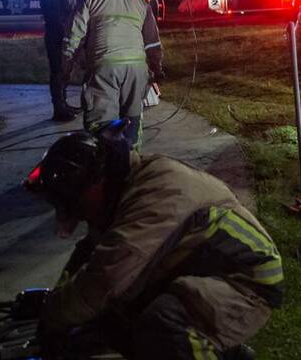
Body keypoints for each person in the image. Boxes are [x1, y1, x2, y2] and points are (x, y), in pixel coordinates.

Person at [25, 128, 282, 359]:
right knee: (115, 320)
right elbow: (89, 254)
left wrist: (53, 315)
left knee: (163, 324)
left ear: (95, 182)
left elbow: (106, 277)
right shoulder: (119, 188)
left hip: (246, 278)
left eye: (76, 204)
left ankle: (207, 344)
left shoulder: (155, 191)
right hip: (200, 268)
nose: (78, 213)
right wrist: (56, 297)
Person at [64, 0, 163, 147]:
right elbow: (152, 41)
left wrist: (66, 67)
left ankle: (105, 166)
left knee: (101, 124)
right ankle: (131, 160)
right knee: (133, 119)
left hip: (104, 68)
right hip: (136, 70)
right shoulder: (139, 0)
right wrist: (157, 68)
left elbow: (73, 36)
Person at [41, 0, 78, 121]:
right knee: (57, 72)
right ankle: (59, 109)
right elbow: (57, 19)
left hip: (65, 37)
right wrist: (65, 36)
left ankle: (64, 103)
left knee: (65, 72)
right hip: (57, 38)